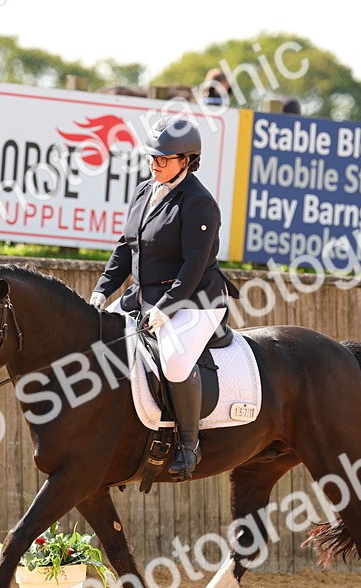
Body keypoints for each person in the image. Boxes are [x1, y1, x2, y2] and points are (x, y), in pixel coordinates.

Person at [89, 117, 238, 480]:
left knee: (173, 361)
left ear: (186, 160)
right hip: (143, 295)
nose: (154, 165)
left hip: (195, 299)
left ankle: (189, 445)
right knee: (94, 335)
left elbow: (193, 264)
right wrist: (102, 290)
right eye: (151, 158)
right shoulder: (145, 191)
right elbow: (126, 248)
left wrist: (166, 308)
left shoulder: (200, 203)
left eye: (163, 159)